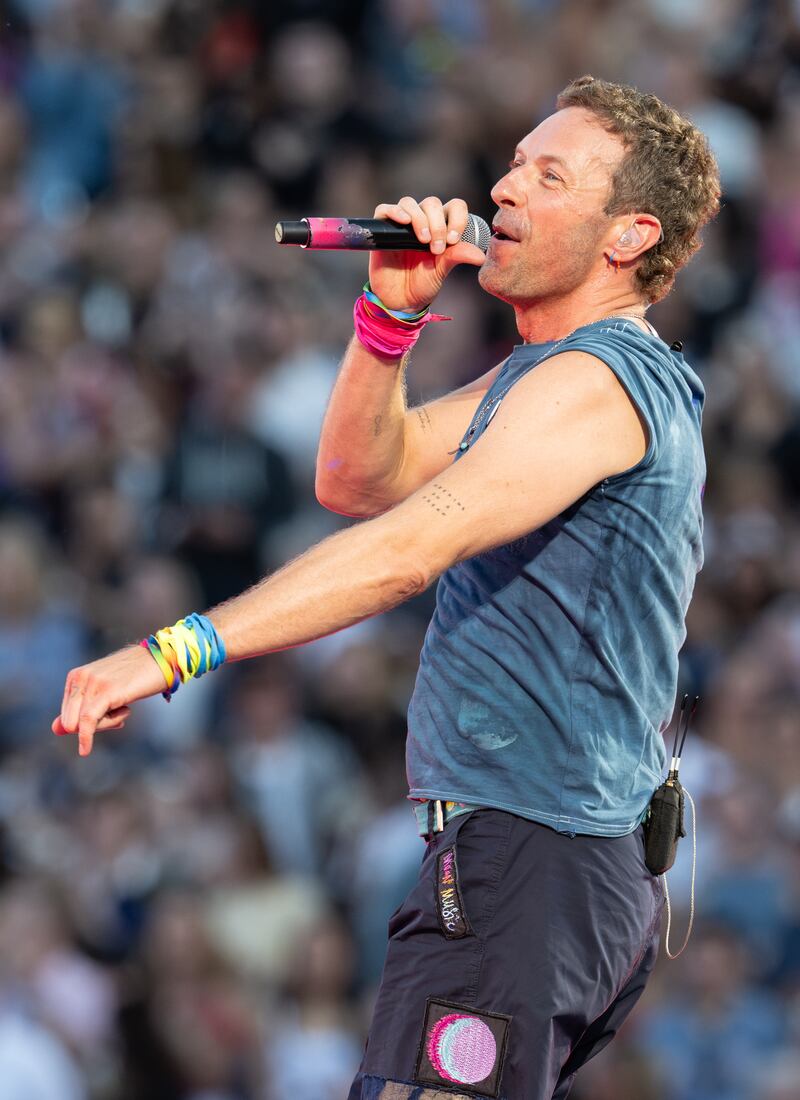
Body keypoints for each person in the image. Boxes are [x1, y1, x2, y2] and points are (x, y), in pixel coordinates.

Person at [53, 75, 721, 1099]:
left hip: (532, 852)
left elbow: (410, 544)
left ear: (627, 236)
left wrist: (174, 649)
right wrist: (387, 315)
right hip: (536, 858)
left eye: (549, 176)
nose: (503, 188)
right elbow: (358, 479)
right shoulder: (541, 377)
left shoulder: (595, 382)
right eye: (514, 163)